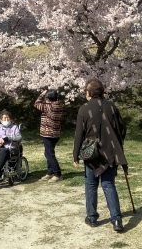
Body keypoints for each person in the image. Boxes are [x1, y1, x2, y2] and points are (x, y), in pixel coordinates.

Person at [73, 78, 127, 232]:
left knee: (91, 184)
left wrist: (76, 155)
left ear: (89, 92)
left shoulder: (84, 109)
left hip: (92, 153)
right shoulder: (111, 106)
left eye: (86, 90)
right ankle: (117, 220)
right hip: (110, 152)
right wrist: (117, 143)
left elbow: (79, 134)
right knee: (108, 184)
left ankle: (92, 218)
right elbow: (122, 128)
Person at [34, 89, 64, 182]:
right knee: (49, 153)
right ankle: (50, 172)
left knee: (49, 154)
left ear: (48, 98)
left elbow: (36, 104)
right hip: (55, 133)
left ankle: (57, 173)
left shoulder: (48, 107)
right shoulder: (58, 105)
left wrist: (42, 94)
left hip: (48, 134)